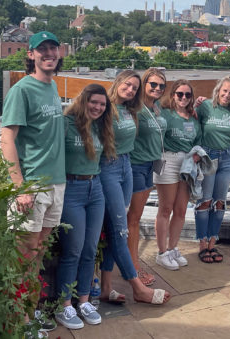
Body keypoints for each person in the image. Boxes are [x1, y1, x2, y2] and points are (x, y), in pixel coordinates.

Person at [0, 31, 65, 335]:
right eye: (42, 50)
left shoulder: (52, 86)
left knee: (38, 253)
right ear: (31, 55)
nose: (49, 53)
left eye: (53, 48)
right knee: (23, 256)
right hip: (32, 187)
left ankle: (31, 312)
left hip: (56, 184)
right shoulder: (22, 90)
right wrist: (19, 187)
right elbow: (7, 138)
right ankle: (19, 321)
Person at [99, 70, 169, 304]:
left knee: (114, 228)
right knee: (121, 228)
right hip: (109, 166)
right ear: (117, 83)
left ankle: (106, 286)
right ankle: (136, 286)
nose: (130, 90)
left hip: (127, 165)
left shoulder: (131, 110)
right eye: (127, 85)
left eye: (134, 88)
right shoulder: (105, 108)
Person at [55, 84, 114, 329]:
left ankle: (84, 300)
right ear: (83, 100)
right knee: (73, 250)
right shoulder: (65, 123)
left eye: (102, 104)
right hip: (71, 188)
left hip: (95, 188)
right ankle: (64, 305)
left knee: (90, 249)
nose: (98, 108)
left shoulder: (101, 126)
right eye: (94, 102)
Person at [154, 80, 201, 270]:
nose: (183, 98)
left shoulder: (193, 118)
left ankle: (173, 248)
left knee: (181, 210)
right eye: (179, 94)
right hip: (168, 160)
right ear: (173, 94)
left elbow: (198, 141)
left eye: (187, 95)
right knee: (165, 208)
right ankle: (161, 252)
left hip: (187, 163)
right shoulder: (164, 113)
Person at [195, 76, 230, 263]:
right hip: (208, 157)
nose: (227, 95)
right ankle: (202, 244)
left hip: (228, 158)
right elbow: (194, 127)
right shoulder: (205, 106)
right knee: (205, 201)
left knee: (220, 202)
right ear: (218, 90)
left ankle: (213, 242)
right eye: (225, 91)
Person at [127, 68, 166, 283]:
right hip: (136, 165)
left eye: (161, 86)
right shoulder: (136, 108)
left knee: (134, 218)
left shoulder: (157, 107)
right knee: (133, 220)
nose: (157, 89)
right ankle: (134, 269)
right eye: (153, 84)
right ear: (144, 84)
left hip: (150, 165)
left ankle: (130, 264)